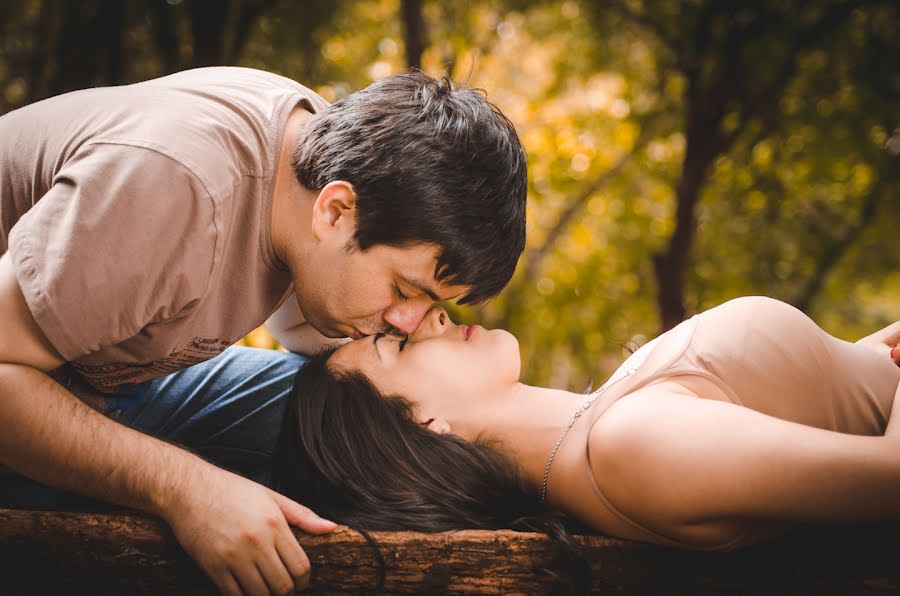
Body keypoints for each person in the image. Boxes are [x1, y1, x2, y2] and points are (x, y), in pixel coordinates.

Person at [0, 67, 527, 595]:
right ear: (336, 211)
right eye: (405, 289)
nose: (410, 321)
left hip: (105, 378)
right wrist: (190, 490)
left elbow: (309, 332)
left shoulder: (323, 164)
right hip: (20, 381)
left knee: (353, 419)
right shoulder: (176, 191)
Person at [271, 296, 900, 578]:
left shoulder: (604, 422)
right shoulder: (633, 446)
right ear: (423, 429)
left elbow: (835, 392)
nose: (430, 315)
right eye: (397, 343)